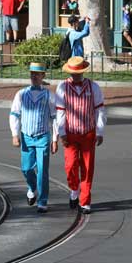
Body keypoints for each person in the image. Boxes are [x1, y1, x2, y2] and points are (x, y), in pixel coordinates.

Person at [56, 56, 106, 214]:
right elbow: (60, 112)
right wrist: (61, 132)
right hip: (70, 133)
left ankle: (85, 200)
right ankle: (74, 189)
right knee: (70, 165)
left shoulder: (93, 87)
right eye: (73, 72)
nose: (75, 75)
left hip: (88, 133)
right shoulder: (62, 87)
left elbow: (100, 111)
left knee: (87, 167)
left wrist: (99, 131)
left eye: (78, 72)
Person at [10, 63, 59, 213]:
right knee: (26, 168)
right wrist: (15, 134)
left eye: (37, 74)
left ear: (43, 76)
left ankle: (42, 201)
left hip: (43, 136)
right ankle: (32, 188)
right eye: (32, 74)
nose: (34, 77)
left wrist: (55, 138)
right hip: (26, 136)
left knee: (43, 169)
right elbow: (15, 114)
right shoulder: (21, 94)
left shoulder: (49, 95)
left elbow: (55, 117)